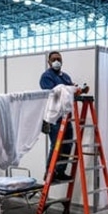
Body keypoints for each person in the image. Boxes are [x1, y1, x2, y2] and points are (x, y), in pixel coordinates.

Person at [39, 51, 76, 181]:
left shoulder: (65, 76)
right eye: (54, 59)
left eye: (59, 59)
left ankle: (60, 171)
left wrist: (75, 89)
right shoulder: (46, 77)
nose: (56, 61)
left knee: (68, 144)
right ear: (49, 62)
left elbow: (70, 91)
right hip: (54, 118)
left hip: (66, 117)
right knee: (56, 145)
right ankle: (50, 172)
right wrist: (67, 89)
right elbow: (53, 93)